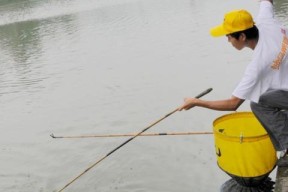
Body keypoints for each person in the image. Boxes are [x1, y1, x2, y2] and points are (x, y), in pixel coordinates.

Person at [178, 0, 288, 165]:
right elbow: (267, 1)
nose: (227, 40)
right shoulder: (266, 22)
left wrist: (196, 102)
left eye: (228, 36)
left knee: (258, 104)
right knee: (263, 93)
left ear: (242, 36)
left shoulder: (258, 65)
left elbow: (233, 104)